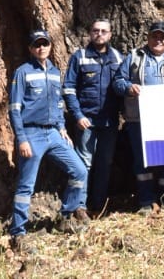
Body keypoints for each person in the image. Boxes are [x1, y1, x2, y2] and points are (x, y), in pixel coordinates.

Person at [8, 29, 89, 250]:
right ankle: (18, 233)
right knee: (26, 185)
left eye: (44, 44)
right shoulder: (22, 72)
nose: (41, 48)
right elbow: (14, 109)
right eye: (36, 45)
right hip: (31, 134)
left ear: (50, 46)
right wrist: (21, 139)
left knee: (80, 171)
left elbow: (58, 103)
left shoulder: (55, 72)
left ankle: (65, 216)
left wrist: (62, 128)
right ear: (30, 49)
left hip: (53, 133)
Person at [113, 20, 164, 215]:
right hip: (139, 119)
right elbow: (118, 81)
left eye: (163, 37)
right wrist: (129, 88)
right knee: (142, 161)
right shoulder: (135, 57)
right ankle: (145, 201)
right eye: (154, 36)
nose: (158, 40)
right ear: (148, 37)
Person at [64, 19, 123, 215]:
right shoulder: (79, 57)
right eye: (96, 30)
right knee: (84, 164)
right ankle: (80, 205)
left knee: (105, 163)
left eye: (104, 31)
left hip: (109, 121)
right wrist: (77, 115)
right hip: (86, 121)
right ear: (90, 33)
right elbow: (69, 89)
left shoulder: (117, 57)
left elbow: (122, 86)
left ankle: (99, 205)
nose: (99, 34)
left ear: (110, 34)